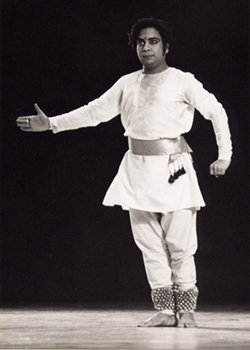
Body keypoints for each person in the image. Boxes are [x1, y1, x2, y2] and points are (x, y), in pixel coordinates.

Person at [16, 17, 232, 328]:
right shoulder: (127, 83)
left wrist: (224, 155)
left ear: (166, 46)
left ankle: (186, 310)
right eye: (141, 42)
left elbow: (216, 111)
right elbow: (94, 112)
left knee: (180, 243)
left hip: (174, 169)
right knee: (148, 243)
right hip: (137, 170)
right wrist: (51, 123)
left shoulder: (182, 81)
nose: (146, 47)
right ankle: (165, 310)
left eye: (153, 41)